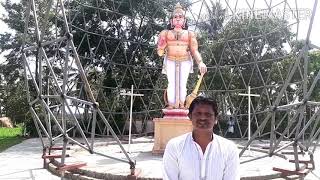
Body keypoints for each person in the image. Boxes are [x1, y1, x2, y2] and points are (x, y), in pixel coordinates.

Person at [162, 96, 240, 180]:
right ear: (190, 116)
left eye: (208, 114)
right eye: (198, 113)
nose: (202, 118)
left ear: (216, 119)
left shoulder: (229, 149)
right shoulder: (175, 146)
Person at [157, 3, 207, 109]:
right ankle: (170, 105)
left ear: (184, 20)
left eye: (181, 17)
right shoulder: (165, 33)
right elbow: (160, 53)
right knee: (171, 83)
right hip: (170, 59)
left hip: (185, 60)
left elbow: (194, 50)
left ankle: (181, 105)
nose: (178, 19)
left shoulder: (190, 34)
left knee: (182, 84)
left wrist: (200, 62)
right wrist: (161, 46)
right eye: (175, 17)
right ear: (171, 20)